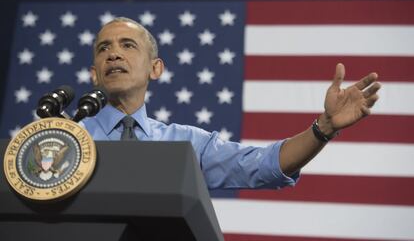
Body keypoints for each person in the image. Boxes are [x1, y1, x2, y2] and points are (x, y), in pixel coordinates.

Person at [81, 17, 381, 189]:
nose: (114, 54)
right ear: (94, 73)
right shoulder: (66, 136)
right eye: (103, 48)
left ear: (155, 68)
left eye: (128, 45)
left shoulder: (186, 144)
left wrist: (323, 128)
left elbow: (262, 166)